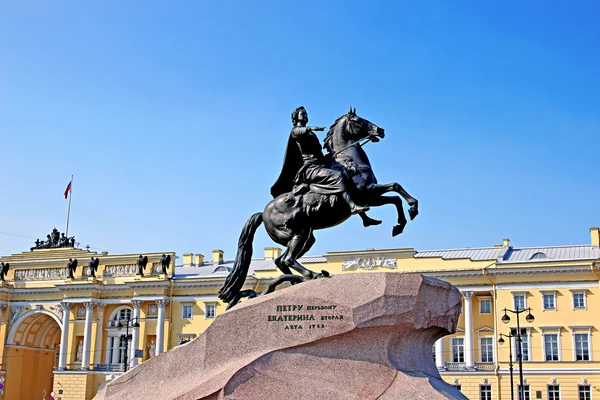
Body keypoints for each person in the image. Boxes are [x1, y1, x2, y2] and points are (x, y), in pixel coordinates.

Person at [271, 106, 369, 214]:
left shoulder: (309, 133)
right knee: (337, 176)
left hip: (318, 165)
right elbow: (298, 131)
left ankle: (364, 217)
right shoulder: (296, 131)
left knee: (345, 171)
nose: (305, 115)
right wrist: (310, 128)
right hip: (310, 169)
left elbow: (318, 154)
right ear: (296, 117)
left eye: (306, 114)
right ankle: (352, 206)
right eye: (302, 114)